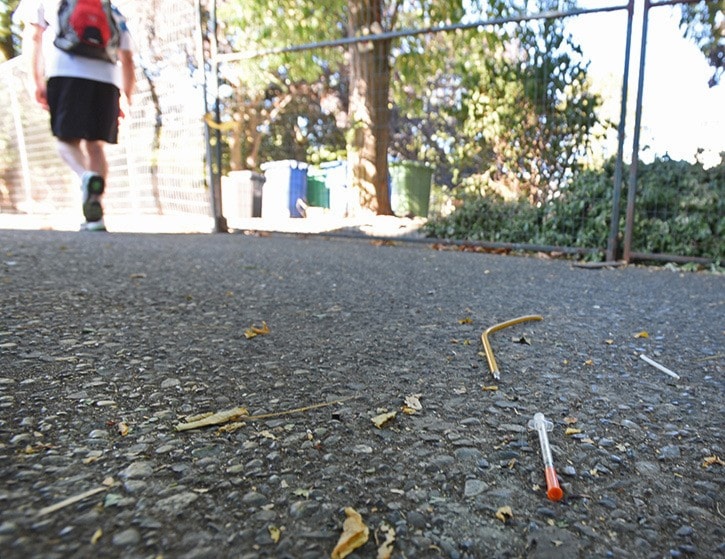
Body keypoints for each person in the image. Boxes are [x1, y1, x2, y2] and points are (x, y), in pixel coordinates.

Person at [14, 0, 135, 231]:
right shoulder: (112, 9)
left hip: (66, 72)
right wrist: (126, 96)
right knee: (96, 146)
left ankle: (85, 177)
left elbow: (33, 35)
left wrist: (35, 80)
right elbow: (127, 58)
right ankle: (95, 217)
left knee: (66, 141)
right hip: (107, 78)